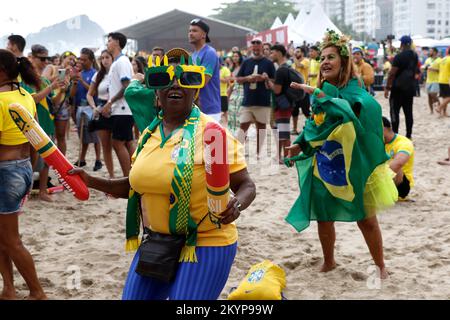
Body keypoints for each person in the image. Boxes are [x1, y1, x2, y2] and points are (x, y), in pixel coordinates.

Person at [68, 48, 256, 300]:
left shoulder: (212, 134)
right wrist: (91, 181)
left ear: (196, 89)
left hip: (206, 242)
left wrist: (237, 204)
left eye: (186, 79)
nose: (175, 84)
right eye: (164, 79)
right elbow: (136, 186)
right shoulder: (148, 135)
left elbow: (246, 185)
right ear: (156, 92)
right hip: (157, 241)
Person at [287, 30, 398, 279]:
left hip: (354, 163)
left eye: (331, 57)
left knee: (366, 218)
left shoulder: (355, 91)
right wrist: (301, 143)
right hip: (326, 161)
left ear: (344, 62)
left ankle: (380, 265)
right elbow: (316, 125)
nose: (325, 61)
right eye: (323, 57)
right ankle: (329, 261)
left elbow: (353, 111)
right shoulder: (323, 91)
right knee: (324, 216)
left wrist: (319, 94)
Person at [0, 49, 47, 300]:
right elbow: (35, 139)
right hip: (23, 168)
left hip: (5, 173)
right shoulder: (26, 96)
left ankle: (37, 292)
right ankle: (9, 289)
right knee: (3, 237)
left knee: (11, 239)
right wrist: (30, 170)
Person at [30, 44, 67, 202]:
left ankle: (43, 191)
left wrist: (62, 90)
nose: (46, 62)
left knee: (46, 161)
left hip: (47, 123)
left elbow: (53, 102)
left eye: (47, 58)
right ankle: (27, 192)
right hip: (32, 125)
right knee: (30, 162)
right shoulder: (26, 78)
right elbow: (33, 99)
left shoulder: (44, 80)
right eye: (42, 58)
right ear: (33, 57)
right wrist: (51, 86)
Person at [236, 37, 276, 157]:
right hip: (248, 101)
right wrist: (247, 78)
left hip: (262, 101)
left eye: (258, 43)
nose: (255, 46)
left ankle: (258, 153)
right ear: (251, 47)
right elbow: (238, 79)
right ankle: (239, 152)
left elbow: (274, 81)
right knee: (243, 126)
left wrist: (265, 78)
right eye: (253, 44)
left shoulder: (268, 63)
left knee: (261, 127)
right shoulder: (246, 62)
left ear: (262, 46)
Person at [103, 32, 136, 177]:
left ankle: (128, 177)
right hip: (121, 109)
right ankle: (134, 175)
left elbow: (126, 86)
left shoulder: (122, 61)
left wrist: (110, 102)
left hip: (122, 109)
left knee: (118, 143)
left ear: (116, 42)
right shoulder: (117, 61)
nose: (107, 44)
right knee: (128, 142)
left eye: (109, 41)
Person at [71, 48, 102, 172]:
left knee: (95, 135)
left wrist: (82, 81)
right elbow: (72, 95)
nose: (81, 62)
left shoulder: (95, 73)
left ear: (91, 60)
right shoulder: (79, 74)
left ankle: (98, 160)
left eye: (84, 59)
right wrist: (74, 82)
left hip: (92, 106)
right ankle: (82, 159)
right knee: (82, 134)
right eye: (80, 59)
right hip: (80, 107)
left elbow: (93, 91)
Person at [87, 50, 115, 178]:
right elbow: (90, 94)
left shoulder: (117, 72)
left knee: (121, 144)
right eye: (102, 58)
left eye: (107, 57)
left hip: (117, 110)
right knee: (106, 146)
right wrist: (94, 107)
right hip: (102, 109)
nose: (105, 60)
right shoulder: (98, 75)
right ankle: (111, 175)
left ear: (112, 58)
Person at [385, 35, 418, 139]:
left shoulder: (399, 56)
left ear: (402, 44)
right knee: (408, 113)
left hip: (398, 89)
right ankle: (409, 135)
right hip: (410, 88)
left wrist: (387, 87)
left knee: (395, 112)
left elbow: (392, 73)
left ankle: (395, 134)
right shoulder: (414, 55)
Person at [189, 19, 222, 122]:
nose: (190, 34)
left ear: (204, 35)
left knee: (209, 138)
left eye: (194, 31)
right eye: (189, 31)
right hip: (197, 108)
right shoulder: (193, 55)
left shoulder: (209, 53)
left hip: (210, 109)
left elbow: (203, 80)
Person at [267, 44, 295, 163]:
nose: (270, 55)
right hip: (286, 103)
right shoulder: (287, 66)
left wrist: (269, 82)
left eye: (272, 52)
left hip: (282, 105)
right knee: (282, 131)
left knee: (284, 132)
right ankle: (283, 156)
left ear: (278, 53)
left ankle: (287, 157)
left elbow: (277, 90)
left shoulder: (281, 69)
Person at [383, 117, 414, 199]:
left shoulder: (404, 143)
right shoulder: (379, 142)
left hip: (402, 184)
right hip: (385, 178)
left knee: (395, 165)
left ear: (386, 129)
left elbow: (398, 163)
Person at [227, 51, 244, 136]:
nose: (235, 58)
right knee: (231, 111)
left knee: (239, 113)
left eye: (237, 56)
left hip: (241, 92)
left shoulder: (243, 67)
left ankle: (240, 132)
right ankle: (232, 131)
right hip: (233, 91)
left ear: (240, 57)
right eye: (233, 56)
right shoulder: (231, 68)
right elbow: (230, 82)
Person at [422, 48, 441, 114]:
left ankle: (439, 104)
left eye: (431, 51)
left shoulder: (439, 60)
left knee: (433, 94)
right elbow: (424, 68)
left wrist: (433, 69)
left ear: (435, 52)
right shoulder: (427, 60)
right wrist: (423, 68)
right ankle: (431, 110)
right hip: (428, 79)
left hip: (436, 80)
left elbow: (441, 71)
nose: (429, 52)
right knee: (429, 96)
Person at [437, 47, 450, 118]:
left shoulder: (443, 59)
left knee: (445, 97)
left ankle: (444, 112)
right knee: (448, 97)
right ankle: (439, 107)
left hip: (441, 79)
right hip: (446, 80)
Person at [219, 60, 231, 127]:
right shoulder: (215, 70)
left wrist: (218, 77)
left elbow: (227, 80)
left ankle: (227, 124)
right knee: (220, 111)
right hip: (216, 94)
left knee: (225, 110)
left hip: (223, 93)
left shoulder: (225, 69)